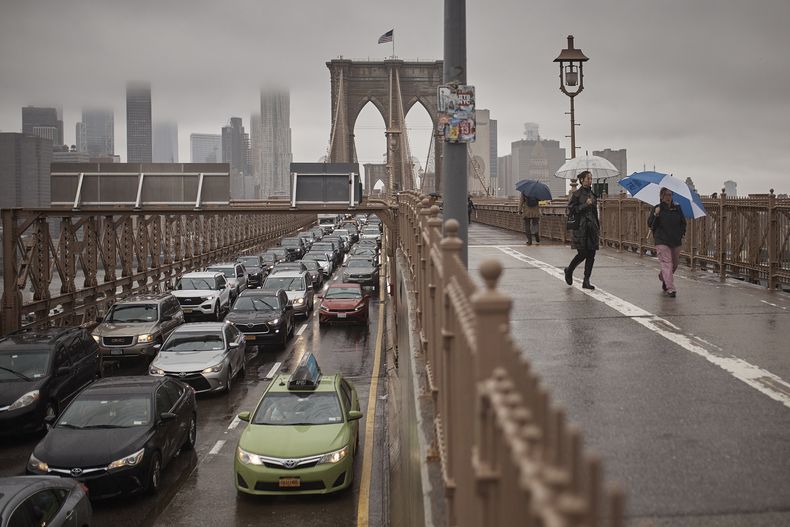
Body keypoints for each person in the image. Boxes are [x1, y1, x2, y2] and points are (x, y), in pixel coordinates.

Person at [647, 187, 686, 298]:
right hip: (662, 240)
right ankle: (670, 288)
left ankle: (663, 276)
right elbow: (651, 224)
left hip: (675, 240)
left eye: (670, 195)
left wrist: (681, 233)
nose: (668, 197)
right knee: (667, 263)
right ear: (661, 196)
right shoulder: (657, 208)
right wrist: (656, 215)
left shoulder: (677, 208)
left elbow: (683, 223)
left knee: (674, 264)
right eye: (666, 195)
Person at [564, 171, 599, 290]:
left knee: (591, 254)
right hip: (580, 228)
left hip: (592, 228)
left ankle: (586, 280)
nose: (590, 181)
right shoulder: (577, 194)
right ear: (582, 180)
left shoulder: (593, 195)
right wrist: (585, 205)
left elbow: (594, 212)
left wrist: (597, 226)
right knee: (582, 253)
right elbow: (571, 210)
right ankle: (569, 270)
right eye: (588, 178)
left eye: (591, 178)